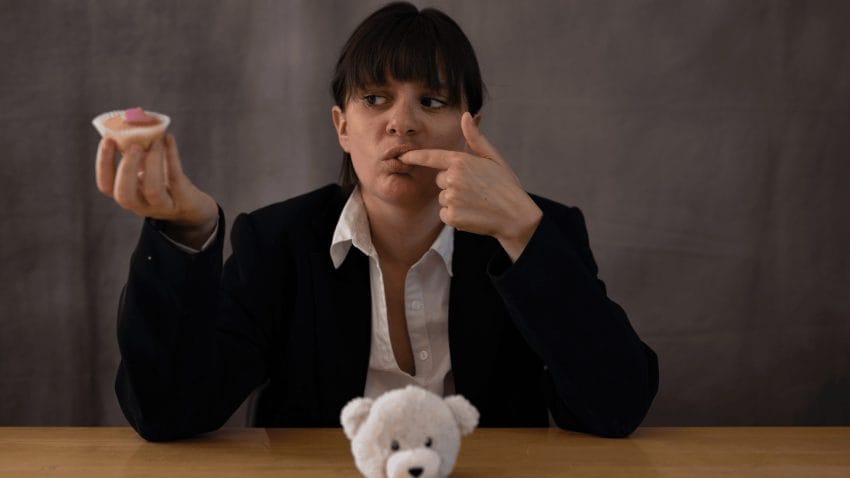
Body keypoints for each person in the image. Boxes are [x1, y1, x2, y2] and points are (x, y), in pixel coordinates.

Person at [95, 2, 658, 442]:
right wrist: (186, 233)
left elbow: (615, 409)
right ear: (342, 125)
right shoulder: (278, 242)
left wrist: (524, 235)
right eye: (375, 98)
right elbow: (167, 412)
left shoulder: (539, 228)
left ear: (470, 126)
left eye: (432, 101)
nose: (402, 124)